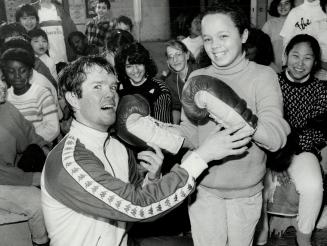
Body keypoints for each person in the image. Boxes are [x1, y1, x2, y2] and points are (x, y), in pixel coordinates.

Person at [41, 55, 253, 246]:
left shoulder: (116, 147)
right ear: (72, 98)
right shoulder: (68, 162)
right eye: (97, 87)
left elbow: (132, 198)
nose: (110, 95)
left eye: (113, 87)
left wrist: (152, 178)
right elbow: (138, 207)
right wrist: (203, 155)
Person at [176, 3, 290, 246]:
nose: (214, 46)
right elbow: (189, 134)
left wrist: (232, 114)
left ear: (244, 35)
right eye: (207, 39)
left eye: (223, 36)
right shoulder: (197, 78)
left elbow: (275, 137)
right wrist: (158, 132)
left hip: (245, 193)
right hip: (203, 189)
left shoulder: (263, 76)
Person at [260, 34, 327, 246]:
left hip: (300, 150)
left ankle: (304, 236)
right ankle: (259, 235)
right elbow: (264, 122)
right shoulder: (271, 82)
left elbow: (318, 132)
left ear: (315, 62)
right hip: (267, 148)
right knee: (253, 180)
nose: (300, 63)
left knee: (313, 186)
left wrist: (288, 147)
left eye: (307, 58)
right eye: (295, 55)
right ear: (286, 56)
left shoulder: (320, 89)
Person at [0, 69, 50, 246]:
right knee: (38, 203)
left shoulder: (6, 106)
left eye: (1, 79)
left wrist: (50, 158)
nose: (3, 86)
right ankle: (40, 242)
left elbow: (30, 135)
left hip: (15, 170)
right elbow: (3, 174)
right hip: (3, 179)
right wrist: (37, 179)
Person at [1, 44, 60, 143]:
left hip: (38, 149)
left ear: (30, 72)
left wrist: (28, 143)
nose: (17, 76)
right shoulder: (5, 97)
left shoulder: (42, 94)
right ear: (5, 74)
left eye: (22, 71)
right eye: (11, 71)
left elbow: (53, 128)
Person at [115, 42, 172, 123]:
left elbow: (163, 128)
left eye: (138, 64)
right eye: (129, 66)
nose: (135, 70)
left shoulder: (160, 90)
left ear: (146, 64)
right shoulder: (119, 87)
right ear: (123, 68)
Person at [280, 0, 327, 79]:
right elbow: (286, 42)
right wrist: (285, 65)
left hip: (323, 71)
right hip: (299, 68)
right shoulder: (295, 12)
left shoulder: (325, 10)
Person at [164, 40, 197, 124]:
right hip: (187, 122)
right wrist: (174, 126)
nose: (175, 60)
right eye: (170, 56)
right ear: (168, 61)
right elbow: (176, 107)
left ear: (187, 55)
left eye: (178, 54)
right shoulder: (170, 81)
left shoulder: (199, 73)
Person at [262, 0, 294, 72]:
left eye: (286, 3)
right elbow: (262, 48)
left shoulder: (297, 23)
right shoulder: (269, 24)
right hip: (273, 68)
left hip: (293, 69)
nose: (283, 7)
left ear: (291, 5)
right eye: (279, 4)